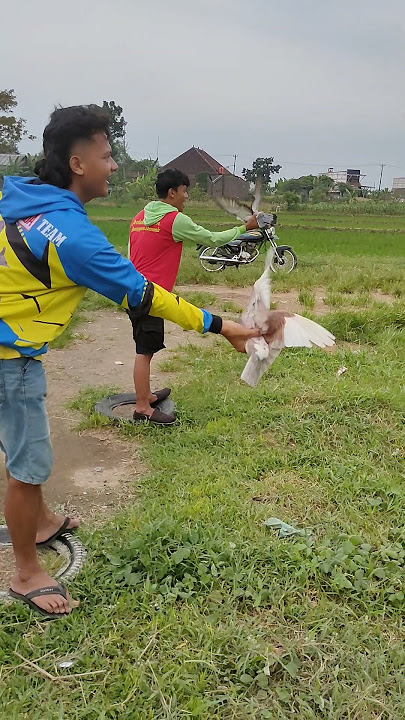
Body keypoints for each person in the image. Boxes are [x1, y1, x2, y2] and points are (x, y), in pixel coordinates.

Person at [0, 106, 264, 620]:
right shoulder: (73, 237)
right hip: (11, 357)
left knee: (23, 445)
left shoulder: (22, 198)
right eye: (106, 155)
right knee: (27, 465)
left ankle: (43, 519)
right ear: (78, 164)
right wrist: (224, 326)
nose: (115, 165)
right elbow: (147, 295)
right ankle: (28, 569)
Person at [129, 168, 260, 424]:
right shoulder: (174, 219)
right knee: (144, 351)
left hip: (134, 288)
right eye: (184, 191)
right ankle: (143, 407)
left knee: (148, 346)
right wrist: (245, 228)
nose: (186, 196)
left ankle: (147, 395)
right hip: (151, 295)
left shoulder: (140, 216)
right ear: (172, 192)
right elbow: (212, 239)